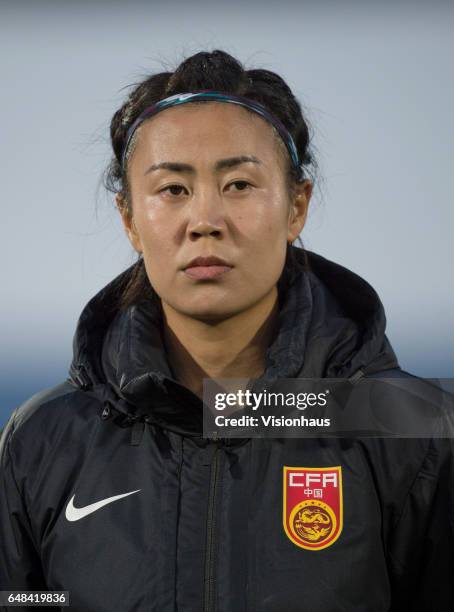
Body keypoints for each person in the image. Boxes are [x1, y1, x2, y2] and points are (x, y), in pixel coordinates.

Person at [0, 49, 453, 612]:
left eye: (239, 184)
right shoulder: (45, 440)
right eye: (173, 190)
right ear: (128, 218)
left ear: (296, 206)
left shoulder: (413, 429)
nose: (205, 220)